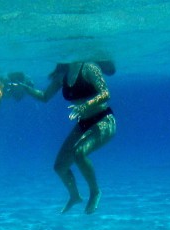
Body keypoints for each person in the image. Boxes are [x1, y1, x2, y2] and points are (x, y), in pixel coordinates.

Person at [11, 61, 116, 214]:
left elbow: (106, 93)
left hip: (103, 120)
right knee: (59, 167)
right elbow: (45, 96)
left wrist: (85, 106)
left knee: (79, 153)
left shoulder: (89, 67)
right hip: (83, 123)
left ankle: (95, 192)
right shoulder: (63, 75)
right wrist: (26, 88)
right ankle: (75, 196)